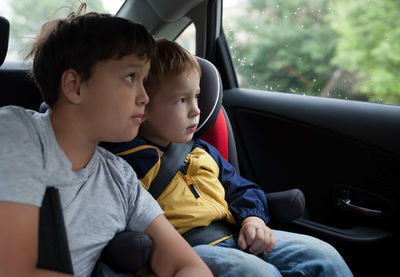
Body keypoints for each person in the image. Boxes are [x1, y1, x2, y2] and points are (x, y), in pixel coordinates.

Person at [109, 38, 354, 277]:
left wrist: (253, 219)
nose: (196, 109)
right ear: (144, 108)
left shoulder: (202, 151)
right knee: (255, 271)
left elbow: (240, 189)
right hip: (188, 250)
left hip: (236, 235)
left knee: (323, 254)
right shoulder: (128, 164)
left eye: (195, 96)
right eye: (180, 100)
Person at [0, 7, 213, 277]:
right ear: (75, 86)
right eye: (130, 77)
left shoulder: (120, 177)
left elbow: (187, 264)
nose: (145, 97)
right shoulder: (15, 131)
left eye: (144, 81)